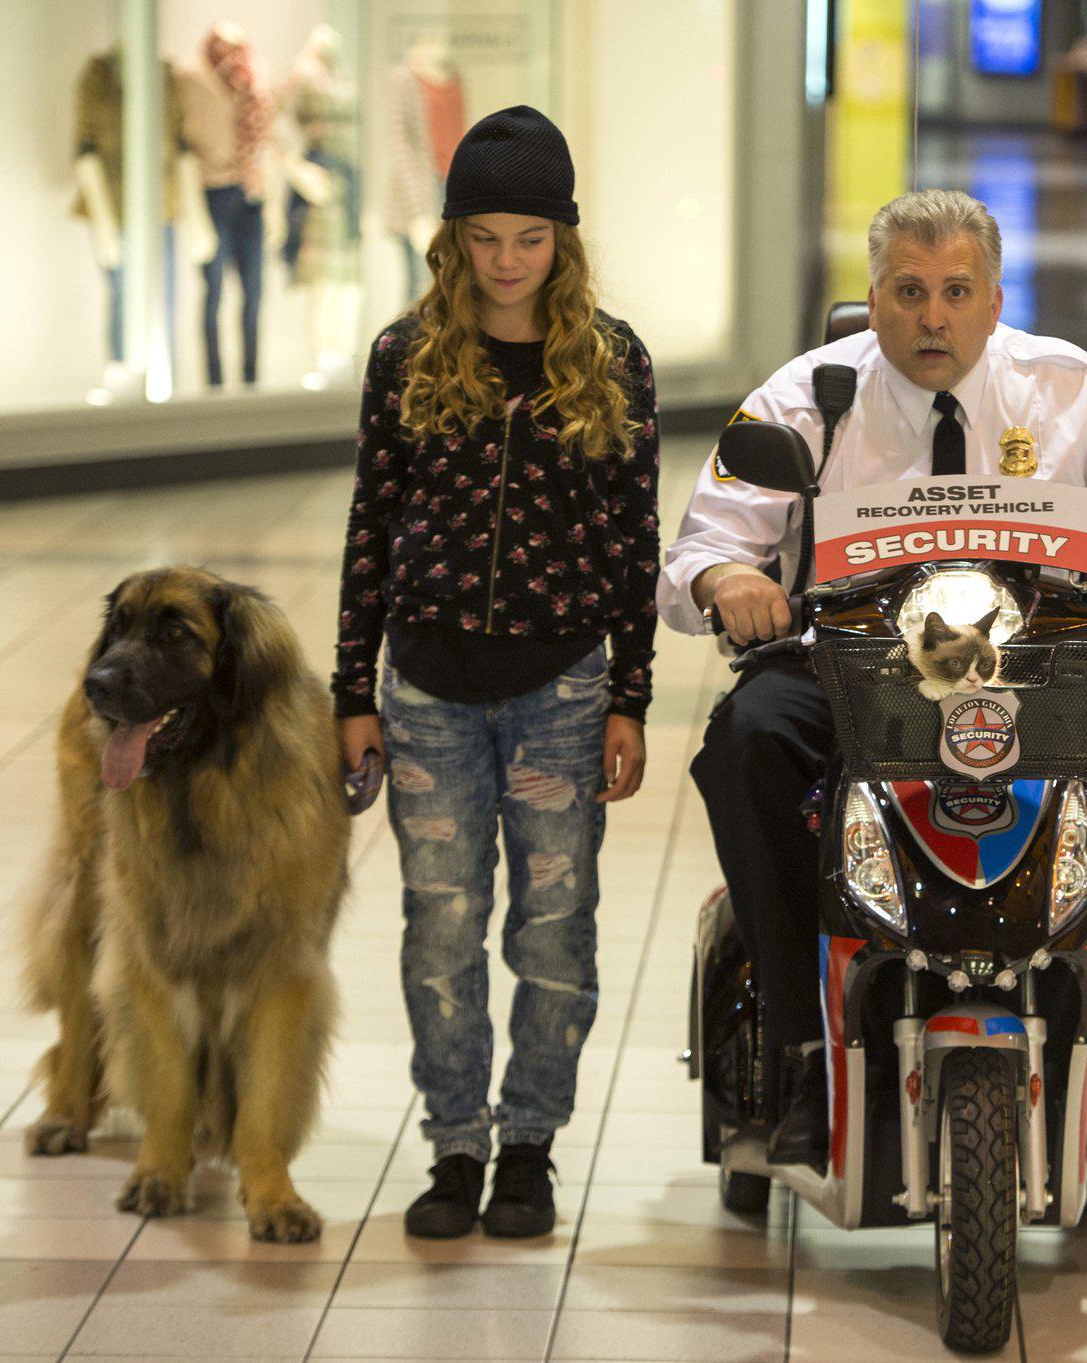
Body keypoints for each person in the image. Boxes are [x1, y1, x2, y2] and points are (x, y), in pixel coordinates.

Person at [660, 189, 1087, 1165]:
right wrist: (728, 580)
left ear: (993, 297)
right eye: (908, 290)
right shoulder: (804, 397)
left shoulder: (1067, 389)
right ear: (874, 297)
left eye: (955, 291)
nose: (932, 316)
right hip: (843, 672)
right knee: (746, 742)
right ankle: (803, 1046)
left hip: (1033, 672)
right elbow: (700, 548)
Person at [331, 105, 659, 1238]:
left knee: (554, 926)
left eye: (531, 237)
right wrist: (348, 694)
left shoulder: (609, 361)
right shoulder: (406, 356)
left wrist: (629, 695)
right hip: (423, 691)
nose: (507, 261)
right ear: (452, 240)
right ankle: (454, 1146)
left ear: (562, 242)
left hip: (561, 689)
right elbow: (370, 527)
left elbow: (634, 541)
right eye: (485, 237)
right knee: (441, 923)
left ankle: (530, 1143)